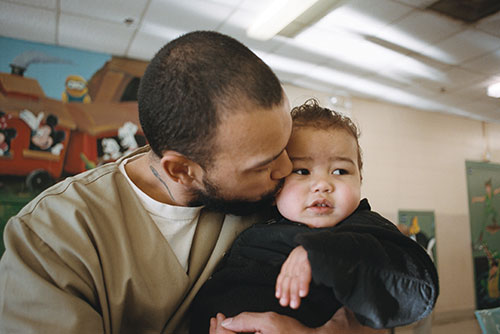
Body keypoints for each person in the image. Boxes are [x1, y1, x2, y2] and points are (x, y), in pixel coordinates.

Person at [0, 31, 380, 334]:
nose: (285, 170)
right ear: (182, 170)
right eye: (263, 163)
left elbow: (386, 272)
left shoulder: (279, 197)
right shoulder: (53, 235)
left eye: (286, 149)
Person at [190, 99, 439, 334]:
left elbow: (418, 287)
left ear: (360, 179)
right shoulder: (256, 226)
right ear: (276, 181)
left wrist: (325, 253)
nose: (322, 184)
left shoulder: (367, 229)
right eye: (302, 171)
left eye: (340, 171)